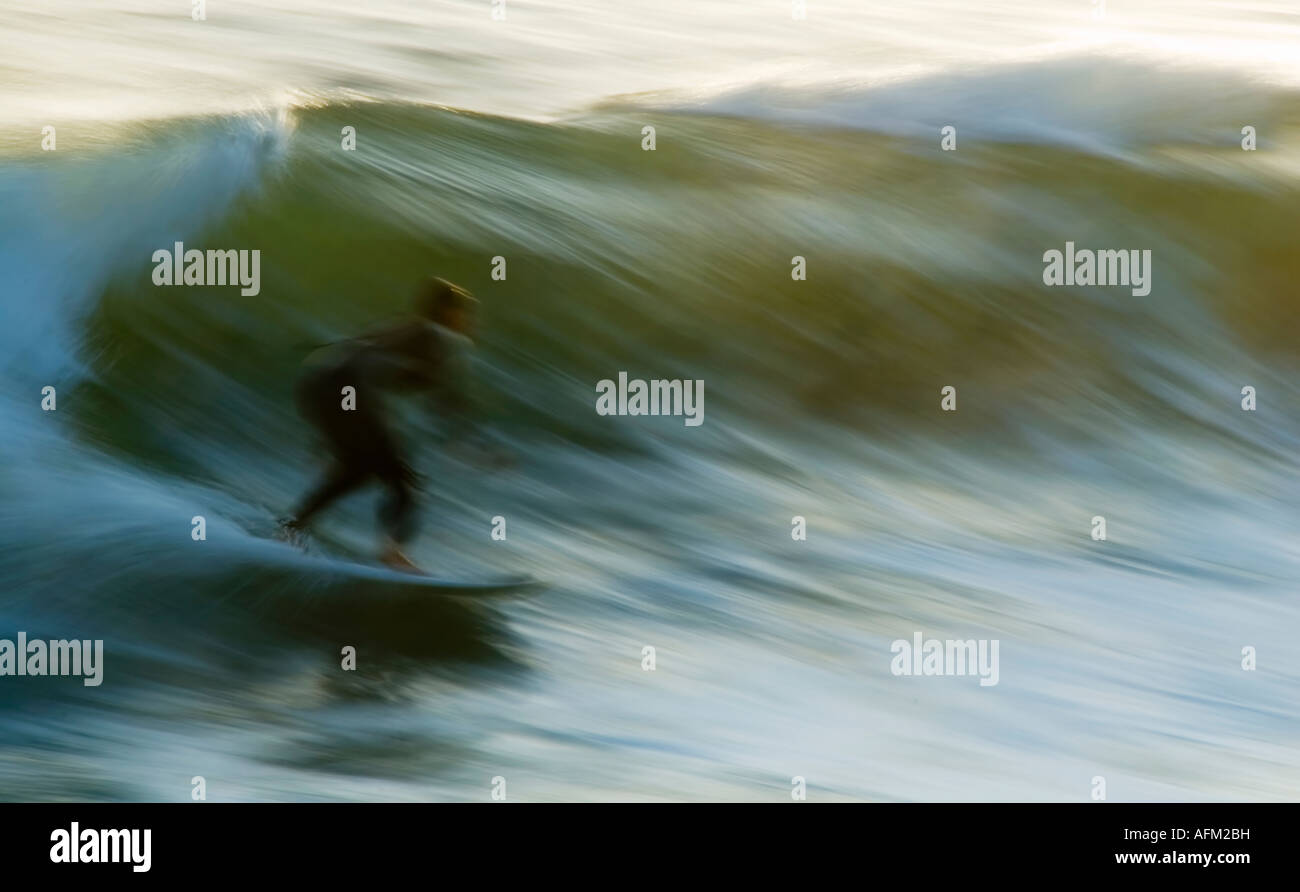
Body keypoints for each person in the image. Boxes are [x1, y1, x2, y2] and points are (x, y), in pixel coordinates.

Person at [279, 276, 484, 572]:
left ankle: (290, 530)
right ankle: (393, 554)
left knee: (357, 470)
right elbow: (443, 401)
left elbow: (351, 354)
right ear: (448, 312)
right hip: (343, 390)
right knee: (404, 481)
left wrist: (332, 433)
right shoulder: (434, 336)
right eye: (463, 312)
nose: (467, 319)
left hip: (319, 384)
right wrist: (473, 446)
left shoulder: (404, 327)